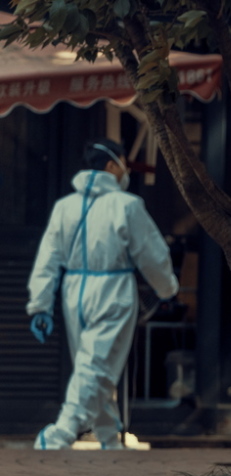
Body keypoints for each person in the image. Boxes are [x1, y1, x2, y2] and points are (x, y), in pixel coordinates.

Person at [27, 138, 179, 450]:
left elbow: (48, 258)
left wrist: (40, 305)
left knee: (92, 365)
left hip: (73, 292)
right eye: (124, 163)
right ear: (112, 165)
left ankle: (110, 438)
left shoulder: (64, 207)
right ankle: (59, 434)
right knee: (96, 367)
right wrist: (167, 289)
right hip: (114, 290)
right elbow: (151, 253)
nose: (126, 170)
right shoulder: (127, 205)